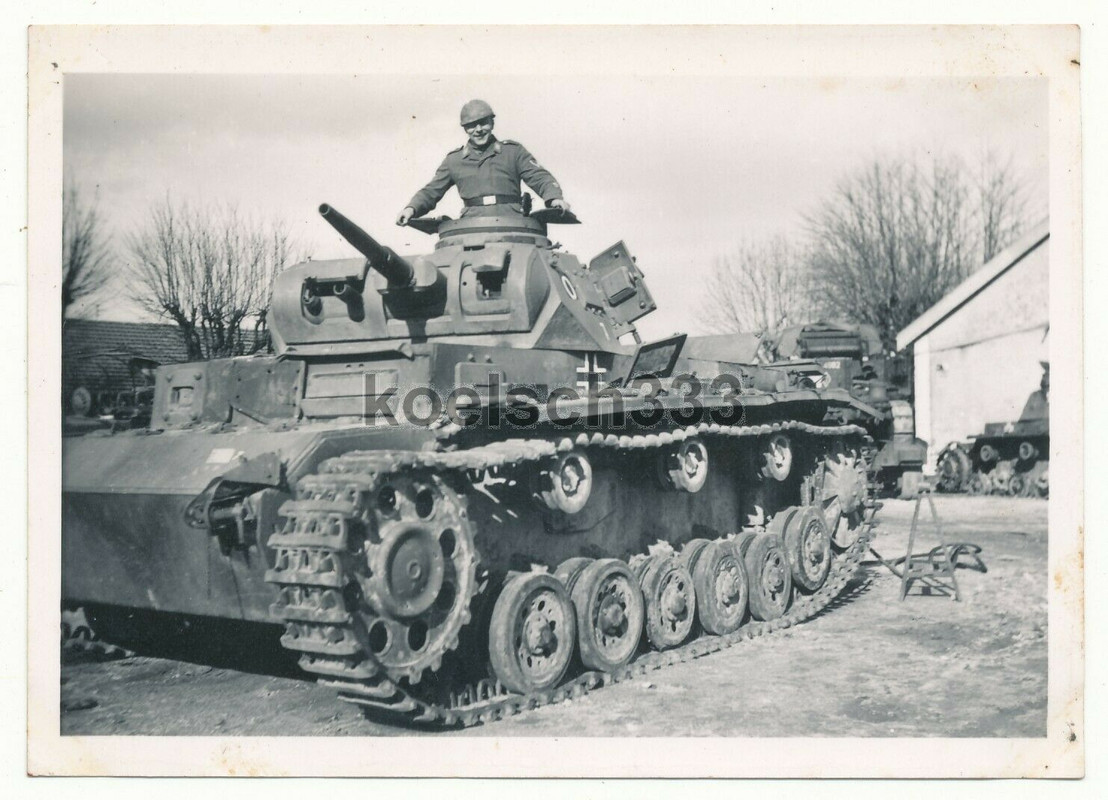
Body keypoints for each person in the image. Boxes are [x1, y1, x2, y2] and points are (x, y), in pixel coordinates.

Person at [396, 100, 572, 225]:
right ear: (465, 129)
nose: (478, 130)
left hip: (512, 224)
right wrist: (411, 208)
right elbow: (432, 190)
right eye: (471, 125)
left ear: (492, 123)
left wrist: (554, 198)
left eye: (483, 123)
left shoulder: (513, 152)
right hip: (472, 228)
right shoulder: (454, 161)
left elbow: (539, 177)